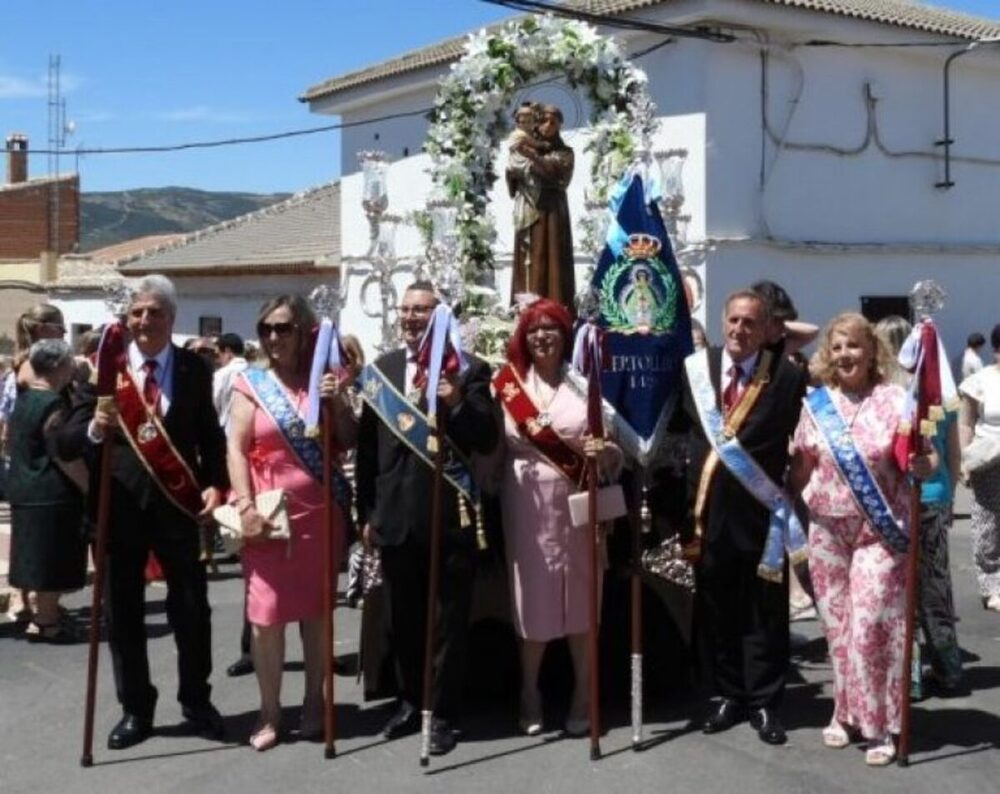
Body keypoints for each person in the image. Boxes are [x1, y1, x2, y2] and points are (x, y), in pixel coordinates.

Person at [58, 274, 228, 750]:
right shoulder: (101, 371)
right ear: (126, 319)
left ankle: (197, 699)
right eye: (137, 313)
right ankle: (137, 708)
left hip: (178, 508)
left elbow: (209, 436)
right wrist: (94, 427)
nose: (145, 320)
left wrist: (217, 483)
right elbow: (63, 440)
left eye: (154, 312)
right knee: (124, 614)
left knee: (192, 610)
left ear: (171, 318)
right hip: (119, 512)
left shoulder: (195, 368)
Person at [355, 281, 499, 756]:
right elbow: (367, 452)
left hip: (447, 516)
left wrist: (456, 401)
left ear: (441, 317)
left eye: (423, 311)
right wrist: (366, 513)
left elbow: (486, 438)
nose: (413, 318)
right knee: (404, 619)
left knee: (447, 623)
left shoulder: (471, 371)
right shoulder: (383, 372)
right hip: (395, 517)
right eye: (407, 310)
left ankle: (442, 714)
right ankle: (410, 701)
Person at [788, 312, 936, 766]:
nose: (845, 354)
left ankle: (880, 724)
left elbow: (924, 457)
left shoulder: (896, 400)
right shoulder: (815, 405)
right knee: (839, 628)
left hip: (880, 531)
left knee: (872, 626)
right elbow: (801, 471)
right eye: (837, 347)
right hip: (828, 528)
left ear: (872, 350)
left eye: (854, 345)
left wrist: (925, 467)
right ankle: (846, 710)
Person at [226, 296, 358, 751]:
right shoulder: (251, 383)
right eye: (266, 329)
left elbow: (348, 439)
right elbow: (236, 448)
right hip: (266, 515)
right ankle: (269, 711)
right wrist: (244, 505)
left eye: (283, 328)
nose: (274, 337)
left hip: (319, 514)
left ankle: (314, 702)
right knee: (265, 619)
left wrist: (336, 401)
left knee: (318, 612)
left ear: (303, 331)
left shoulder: (325, 378)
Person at [679, 289, 808, 746]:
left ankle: (765, 703)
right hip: (707, 513)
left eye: (750, 323)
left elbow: (805, 439)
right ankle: (726, 695)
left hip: (761, 516)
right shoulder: (696, 369)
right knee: (716, 607)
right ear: (721, 321)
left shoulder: (788, 379)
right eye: (733, 321)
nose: (739, 330)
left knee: (764, 614)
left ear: (768, 329)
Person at [494, 298, 622, 736]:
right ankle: (529, 693)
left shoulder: (585, 385)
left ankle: (584, 695)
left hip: (578, 506)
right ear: (523, 337)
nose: (542, 336)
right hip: (525, 507)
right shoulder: (507, 387)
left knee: (584, 600)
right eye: (533, 329)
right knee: (532, 598)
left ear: (566, 335)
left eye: (551, 328)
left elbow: (613, 452)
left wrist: (604, 452)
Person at [875, 315, 964, 696]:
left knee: (900, 589)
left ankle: (908, 678)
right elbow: (954, 452)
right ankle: (948, 666)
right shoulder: (937, 393)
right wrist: (949, 496)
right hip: (935, 496)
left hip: (902, 500)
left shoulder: (890, 398)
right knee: (935, 586)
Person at [6, 340, 88, 642]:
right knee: (51, 557)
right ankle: (47, 620)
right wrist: (88, 485)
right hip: (50, 491)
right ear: (57, 367)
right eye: (68, 364)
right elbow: (61, 453)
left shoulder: (24, 399)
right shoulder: (53, 405)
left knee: (31, 554)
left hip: (24, 486)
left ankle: (36, 614)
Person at [1, 304, 73, 622]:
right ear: (44, 329)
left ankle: (25, 600)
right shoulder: (39, 368)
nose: (64, 334)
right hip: (35, 455)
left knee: (24, 532)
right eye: (60, 328)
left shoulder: (13, 368)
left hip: (17, 455)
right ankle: (34, 603)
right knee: (38, 536)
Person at [506, 104, 575, 306]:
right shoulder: (524, 145)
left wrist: (533, 157)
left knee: (552, 259)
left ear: (559, 126)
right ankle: (524, 307)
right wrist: (514, 172)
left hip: (552, 211)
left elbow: (558, 173)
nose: (548, 126)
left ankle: (554, 306)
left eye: (553, 122)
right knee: (529, 258)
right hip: (530, 206)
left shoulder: (565, 152)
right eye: (544, 120)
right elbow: (513, 174)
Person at [958, 323, 1000, 613]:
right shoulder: (981, 380)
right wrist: (963, 459)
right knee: (988, 524)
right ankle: (992, 585)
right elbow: (966, 422)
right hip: (989, 459)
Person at [213, 332, 248, 431]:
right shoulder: (256, 373)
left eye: (218, 354)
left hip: (228, 431)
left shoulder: (221, 375)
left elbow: (212, 407)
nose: (218, 360)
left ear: (227, 351)